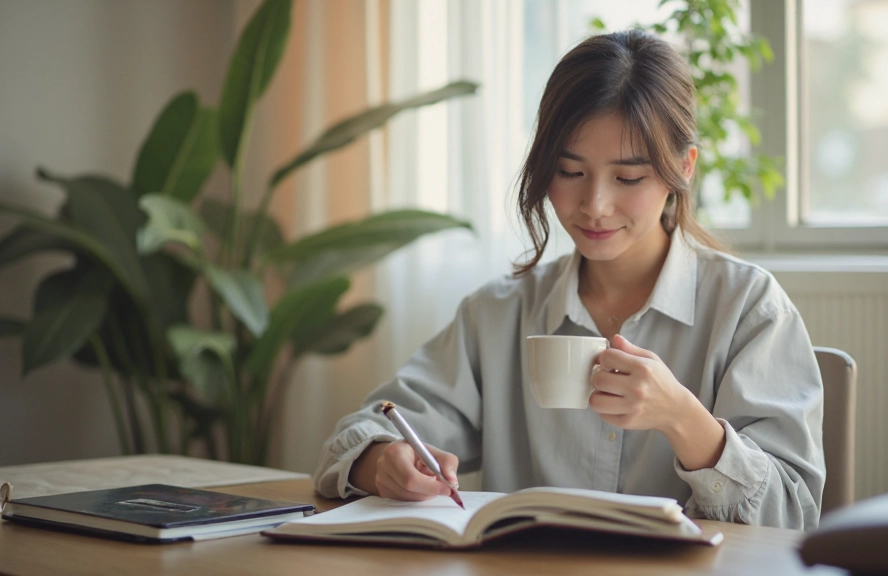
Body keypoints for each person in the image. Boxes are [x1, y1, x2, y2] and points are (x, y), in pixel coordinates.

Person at [313, 30, 825, 530]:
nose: (595, 205)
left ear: (683, 168)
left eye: (628, 178)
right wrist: (379, 462)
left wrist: (684, 420)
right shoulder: (498, 313)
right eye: (570, 171)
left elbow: (792, 514)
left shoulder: (748, 308)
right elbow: (362, 433)